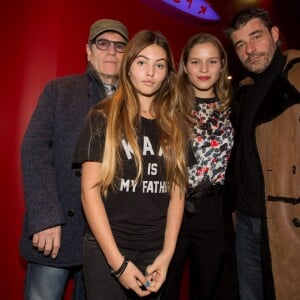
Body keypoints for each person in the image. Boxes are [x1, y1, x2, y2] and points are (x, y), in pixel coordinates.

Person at [73, 29, 192, 300]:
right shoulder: (102, 116)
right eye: (142, 62)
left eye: (159, 65)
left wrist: (167, 254)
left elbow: (177, 194)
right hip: (107, 250)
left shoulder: (176, 126)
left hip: (154, 252)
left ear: (167, 74)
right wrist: (118, 263)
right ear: (128, 68)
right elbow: (88, 193)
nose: (150, 72)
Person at [20, 19, 128, 300]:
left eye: (119, 46)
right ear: (88, 51)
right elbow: (34, 149)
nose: (111, 52)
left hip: (108, 235)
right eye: (102, 44)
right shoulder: (60, 90)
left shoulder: (136, 102)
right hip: (57, 228)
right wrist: (45, 218)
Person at [225, 7, 300, 300]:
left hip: (287, 220)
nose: (249, 49)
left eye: (255, 37)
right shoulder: (242, 91)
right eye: (240, 44)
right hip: (245, 223)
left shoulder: (296, 78)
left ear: (275, 34)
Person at [161, 33, 238, 300]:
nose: (204, 69)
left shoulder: (234, 107)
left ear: (222, 65)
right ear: (185, 66)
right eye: (196, 62)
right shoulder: (167, 105)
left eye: (211, 61)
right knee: (162, 287)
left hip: (212, 211)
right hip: (168, 207)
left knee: (209, 289)